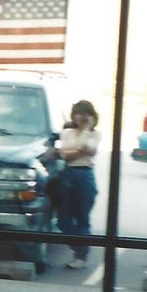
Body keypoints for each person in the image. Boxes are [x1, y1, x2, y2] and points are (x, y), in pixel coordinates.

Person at [56, 100, 100, 270]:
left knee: (83, 217)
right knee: (63, 219)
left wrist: (86, 131)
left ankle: (81, 256)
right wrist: (77, 152)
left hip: (85, 175)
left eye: (85, 113)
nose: (81, 117)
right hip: (68, 174)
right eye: (78, 113)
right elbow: (63, 154)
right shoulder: (67, 132)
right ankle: (80, 246)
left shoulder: (95, 134)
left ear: (92, 116)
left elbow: (90, 149)